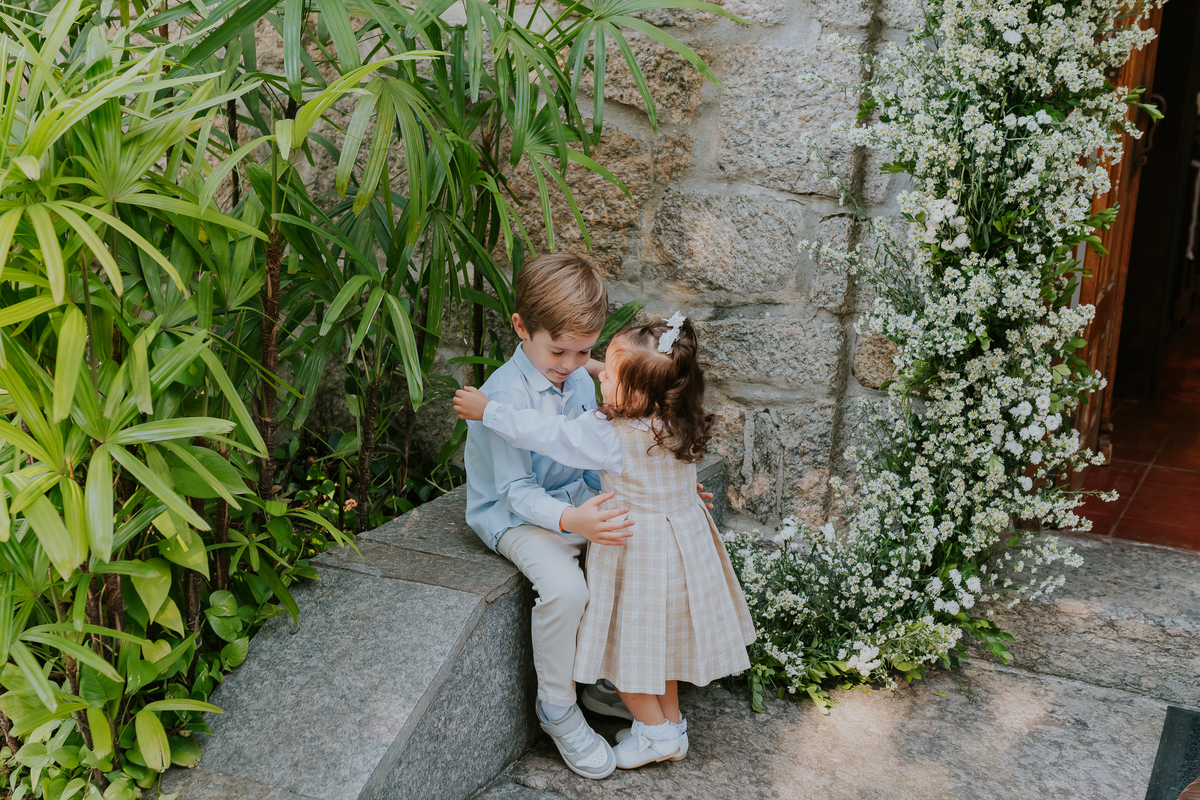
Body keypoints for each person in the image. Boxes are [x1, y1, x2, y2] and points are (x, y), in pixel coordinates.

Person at [455, 313, 756, 770]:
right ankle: (671, 729)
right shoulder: (676, 420)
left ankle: (654, 736)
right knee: (661, 649)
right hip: (678, 543)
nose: (590, 371)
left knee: (628, 653)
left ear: (633, 392)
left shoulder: (609, 432)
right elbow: (660, 474)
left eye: (607, 371)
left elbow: (546, 434)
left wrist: (487, 411)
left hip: (637, 549)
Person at [463, 253, 634, 780]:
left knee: (637, 546)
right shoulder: (503, 396)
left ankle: (605, 680)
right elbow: (515, 490)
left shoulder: (581, 376)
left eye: (584, 350)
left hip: (572, 499)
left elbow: (596, 452)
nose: (570, 361)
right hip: (515, 517)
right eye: (558, 349)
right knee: (566, 589)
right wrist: (573, 523)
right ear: (521, 328)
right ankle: (557, 708)